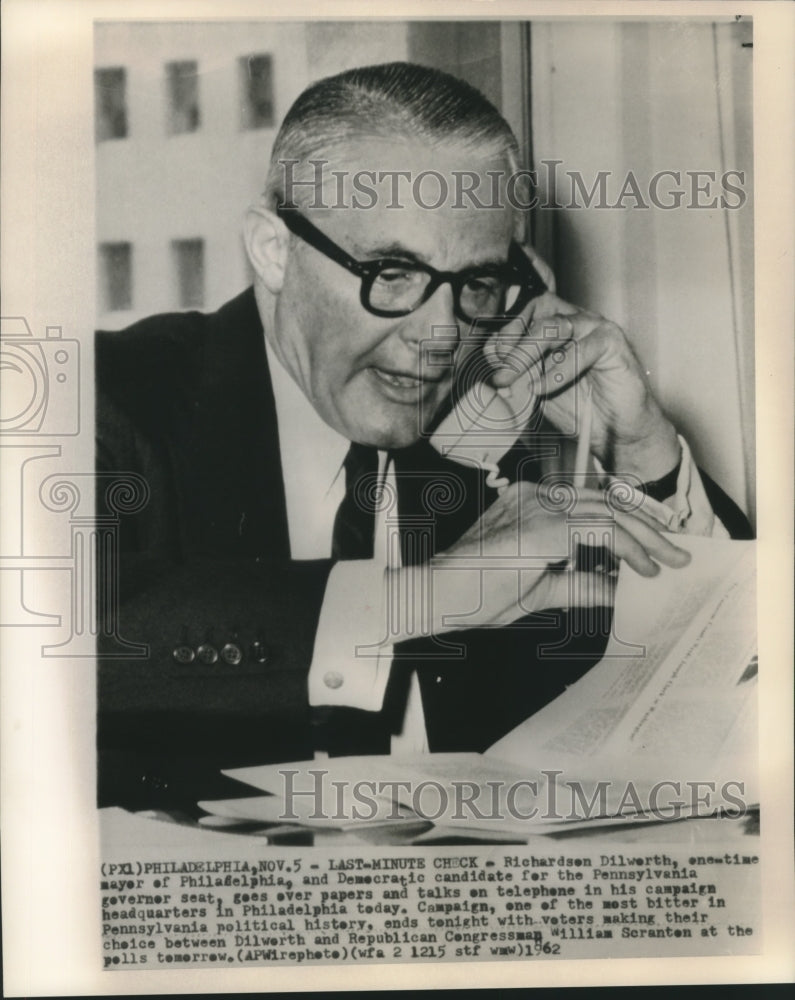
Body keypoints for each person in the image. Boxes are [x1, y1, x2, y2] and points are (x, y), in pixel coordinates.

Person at [96, 62, 751, 810]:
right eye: (394, 273)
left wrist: (639, 450)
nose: (440, 337)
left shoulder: (515, 428)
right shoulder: (108, 397)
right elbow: (55, 631)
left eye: (474, 283)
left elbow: (736, 688)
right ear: (274, 251)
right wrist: (418, 597)